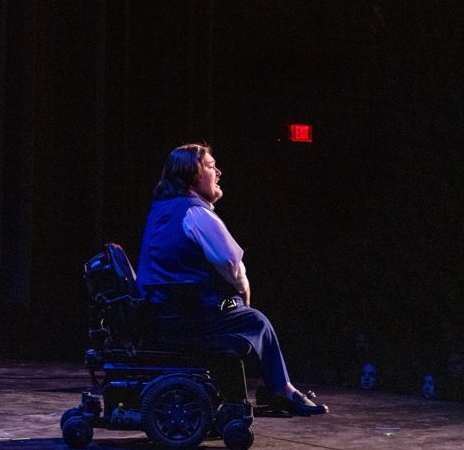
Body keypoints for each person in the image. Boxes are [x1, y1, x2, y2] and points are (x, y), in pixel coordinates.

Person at [136, 142, 328, 416]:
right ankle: (282, 391)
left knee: (239, 316)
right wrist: (243, 290)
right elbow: (231, 262)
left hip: (161, 314)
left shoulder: (162, 209)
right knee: (255, 320)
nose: (219, 172)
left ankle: (262, 391)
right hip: (186, 318)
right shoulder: (195, 213)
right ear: (192, 174)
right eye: (211, 166)